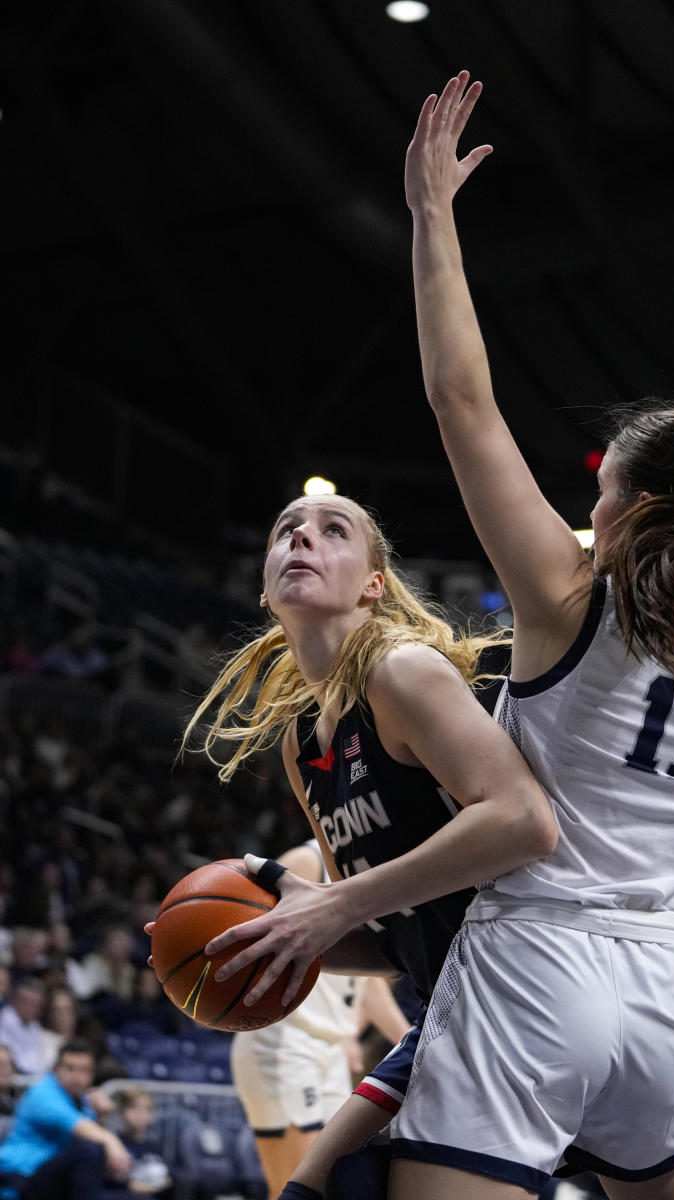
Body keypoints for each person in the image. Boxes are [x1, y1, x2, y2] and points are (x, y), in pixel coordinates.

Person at [384, 71, 674, 1200]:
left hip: (536, 961)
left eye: (599, 489)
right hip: (661, 984)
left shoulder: (563, 593)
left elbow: (462, 399)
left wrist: (431, 217)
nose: (582, 505)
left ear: (635, 513)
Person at [163, 492, 557, 1196]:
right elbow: (390, 928)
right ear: (264, 585)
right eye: (286, 530)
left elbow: (526, 821)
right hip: (451, 1005)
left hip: (526, 996)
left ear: (373, 587)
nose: (302, 539)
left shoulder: (402, 672)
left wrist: (332, 905)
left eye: (332, 531)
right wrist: (248, 942)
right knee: (313, 1189)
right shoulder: (300, 742)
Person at [229, 840, 411, 1199]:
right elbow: (239, 924)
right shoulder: (307, 860)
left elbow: (368, 985)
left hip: (328, 1047)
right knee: (299, 1187)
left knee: (333, 1184)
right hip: (285, 1040)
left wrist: (415, 1042)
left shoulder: (371, 871)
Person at [0, 1037, 131, 1199]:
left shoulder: (84, 1101)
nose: (76, 1076)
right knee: (89, 1150)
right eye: (70, 1068)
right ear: (56, 1069)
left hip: (59, 1179)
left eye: (84, 1070)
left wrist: (101, 1116)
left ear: (92, 1074)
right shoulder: (42, 1093)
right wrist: (110, 1140)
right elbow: (76, 1125)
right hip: (21, 1177)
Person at [0, 979, 47, 1078]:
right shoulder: (3, 1018)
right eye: (27, 1002)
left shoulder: (35, 1026)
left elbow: (37, 1059)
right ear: (14, 1001)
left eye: (36, 1004)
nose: (31, 1008)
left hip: (30, 1077)